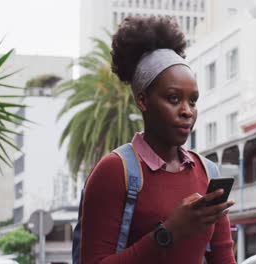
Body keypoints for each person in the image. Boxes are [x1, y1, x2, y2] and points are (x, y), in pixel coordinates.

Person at [80, 15, 236, 264]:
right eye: (174, 99)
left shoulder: (207, 172)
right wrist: (170, 233)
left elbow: (224, 259)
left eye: (193, 101)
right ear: (142, 101)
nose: (187, 110)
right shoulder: (114, 171)